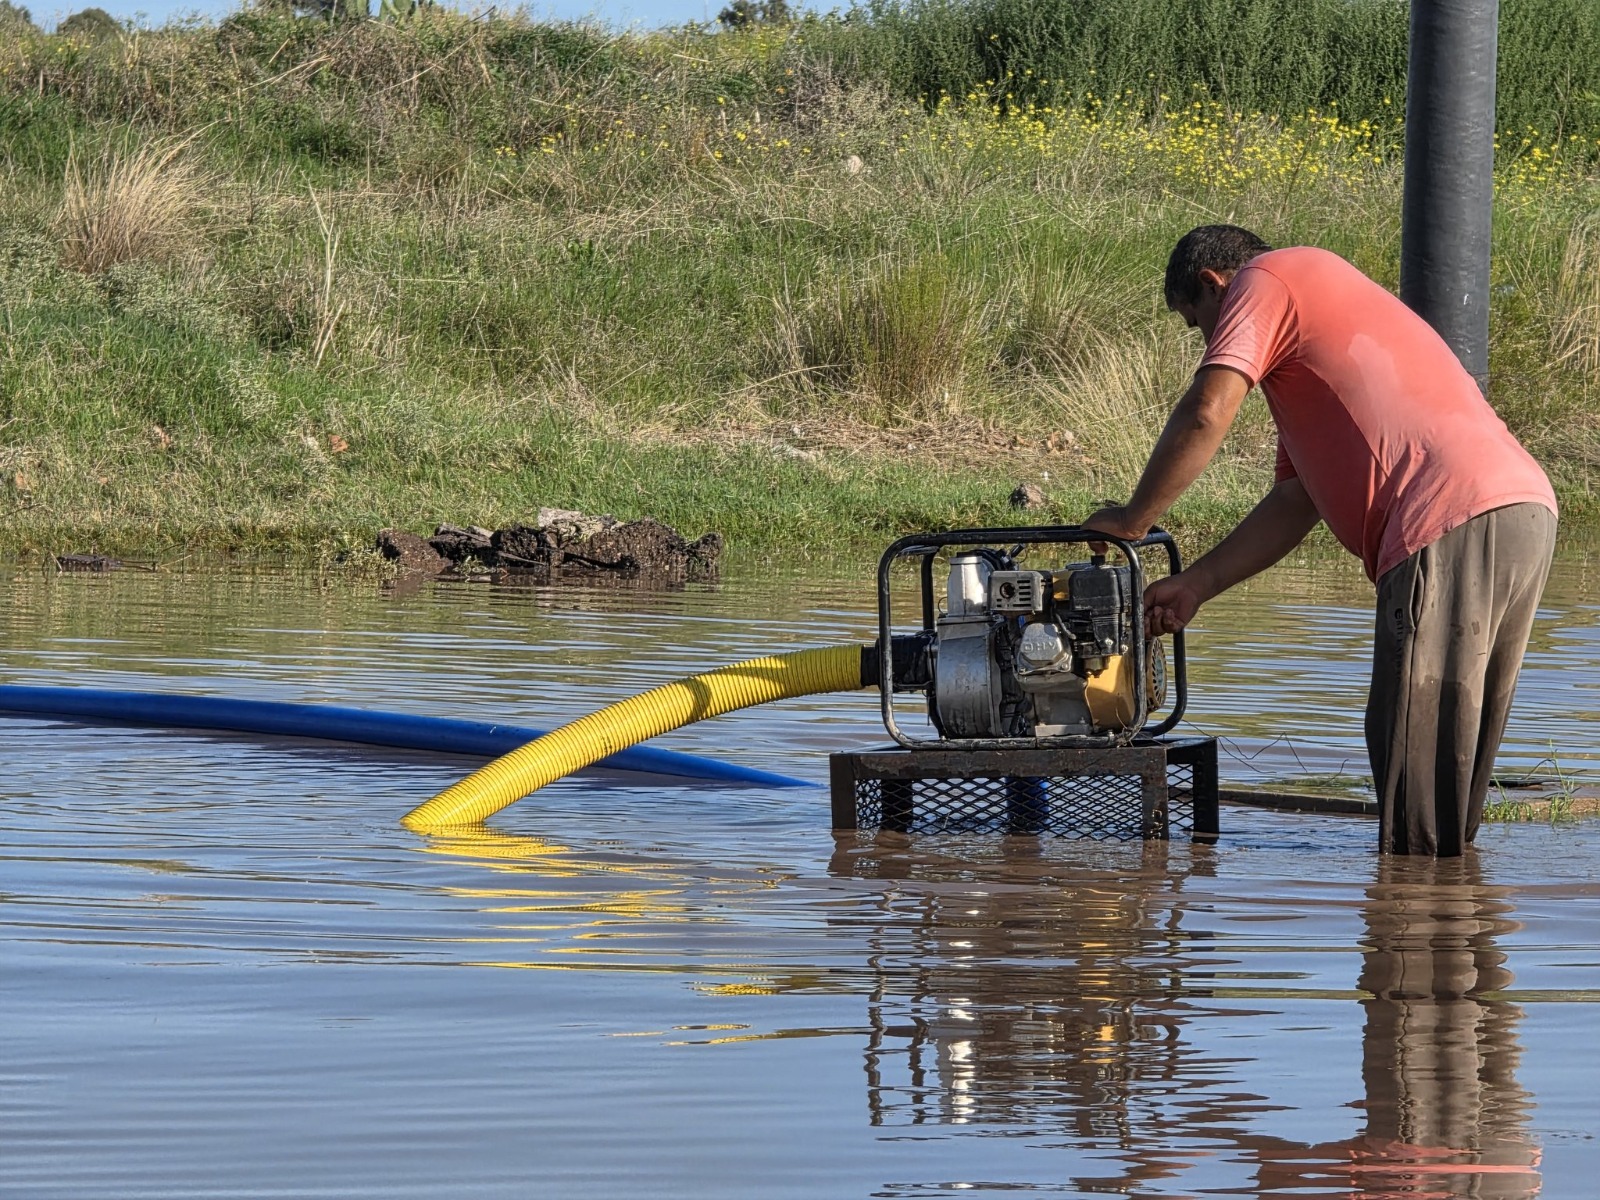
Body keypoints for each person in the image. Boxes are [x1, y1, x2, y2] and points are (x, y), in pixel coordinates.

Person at [1082, 224, 1557, 856]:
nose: (1209, 339)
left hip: (1449, 517)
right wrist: (1196, 584)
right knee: (1443, 774)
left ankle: (1411, 931)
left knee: (1409, 768)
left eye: (1198, 323)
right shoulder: (1314, 330)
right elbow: (1294, 501)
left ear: (1211, 283)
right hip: (1518, 512)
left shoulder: (1267, 277)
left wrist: (1131, 520)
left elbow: (1207, 408)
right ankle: (1457, 931)